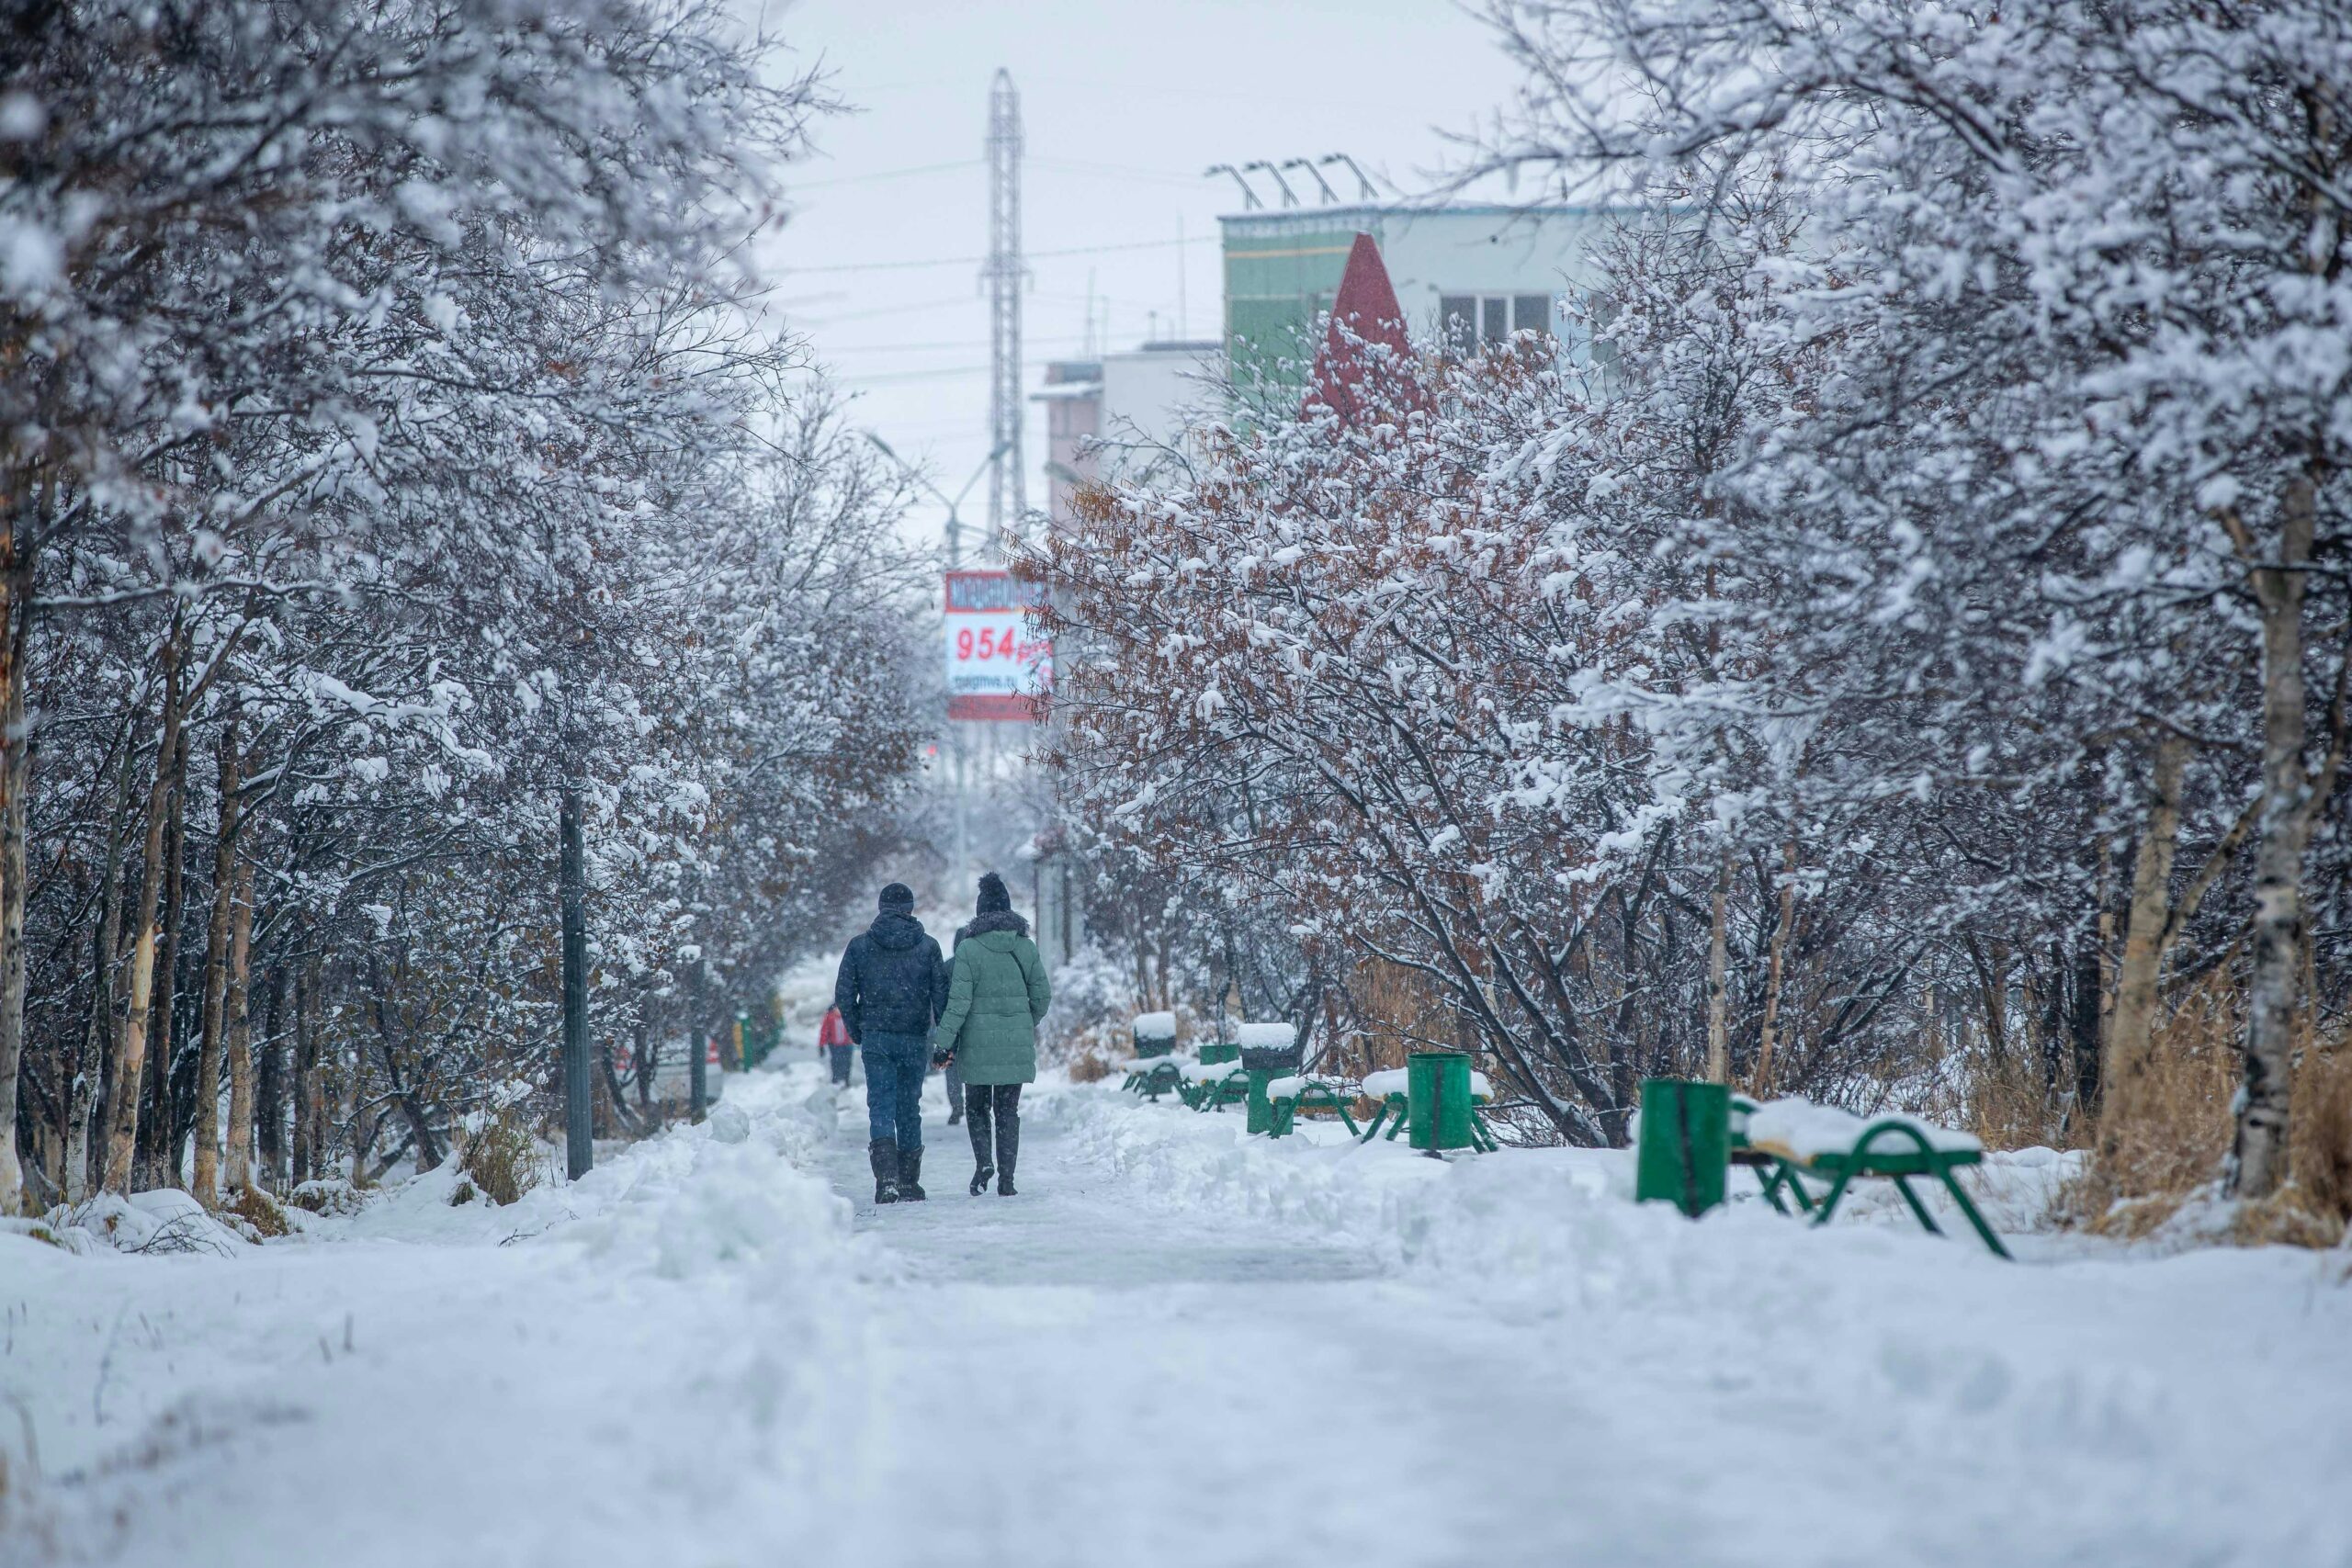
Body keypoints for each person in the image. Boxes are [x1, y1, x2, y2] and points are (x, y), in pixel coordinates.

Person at [931, 871, 1050, 1197]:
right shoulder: (1026, 947)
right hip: (1014, 1045)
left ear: (980, 912)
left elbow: (958, 1003)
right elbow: (1042, 996)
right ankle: (1007, 1179)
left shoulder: (968, 949)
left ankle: (984, 1162)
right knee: (1008, 1111)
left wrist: (943, 1043)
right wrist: (1024, 1022)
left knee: (977, 1107)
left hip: (977, 1044)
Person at [833, 883, 947, 1204]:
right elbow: (941, 996)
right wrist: (944, 1039)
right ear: (911, 908)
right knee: (909, 1106)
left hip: (877, 1037)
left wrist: (859, 1029)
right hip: (914, 1037)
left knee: (881, 1106)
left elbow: (844, 995)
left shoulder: (860, 946)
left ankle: (886, 1181)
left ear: (880, 907)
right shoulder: (928, 947)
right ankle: (909, 1181)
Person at [818, 1005, 853, 1087]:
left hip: (847, 1044)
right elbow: (824, 1031)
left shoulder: (848, 1016)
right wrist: (821, 1045)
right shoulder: (829, 1017)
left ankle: (846, 1079)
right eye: (837, 1008)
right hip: (834, 1045)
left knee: (847, 1062)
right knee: (836, 1062)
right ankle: (835, 1079)